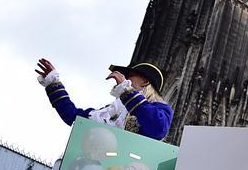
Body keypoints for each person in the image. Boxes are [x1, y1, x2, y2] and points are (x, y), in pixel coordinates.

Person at [35, 58, 173, 140]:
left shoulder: (161, 110)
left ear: (145, 82)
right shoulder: (112, 111)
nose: (124, 79)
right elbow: (73, 117)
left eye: (130, 76)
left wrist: (126, 90)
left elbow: (158, 127)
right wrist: (53, 82)